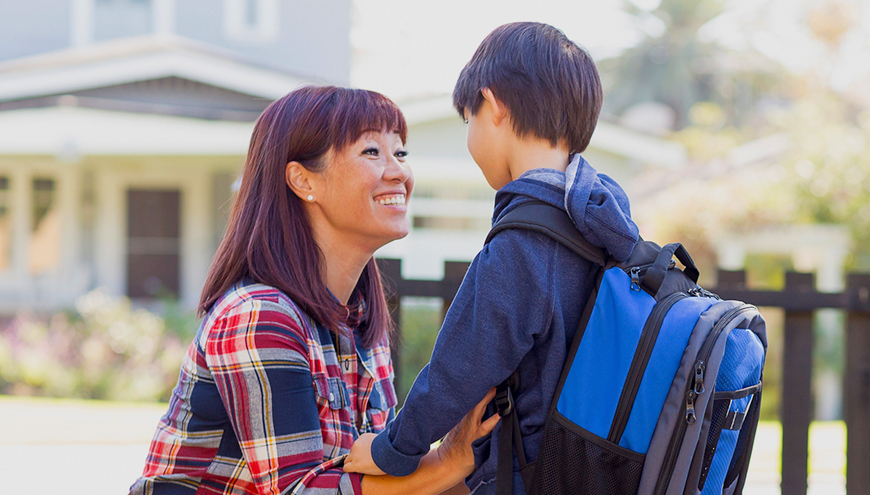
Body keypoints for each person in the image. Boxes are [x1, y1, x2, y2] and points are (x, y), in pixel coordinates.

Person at [129, 85, 499, 495]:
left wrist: (482, 456)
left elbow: (379, 482)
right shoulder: (258, 315)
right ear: (303, 180)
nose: (399, 172)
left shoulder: (358, 322)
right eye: (372, 152)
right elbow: (300, 492)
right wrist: (447, 460)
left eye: (400, 153)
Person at [344, 22, 640, 494]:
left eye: (470, 120)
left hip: (530, 475)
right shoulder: (604, 228)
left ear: (494, 106)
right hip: (591, 470)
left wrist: (390, 450)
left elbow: (457, 370)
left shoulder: (523, 245)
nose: (470, 137)